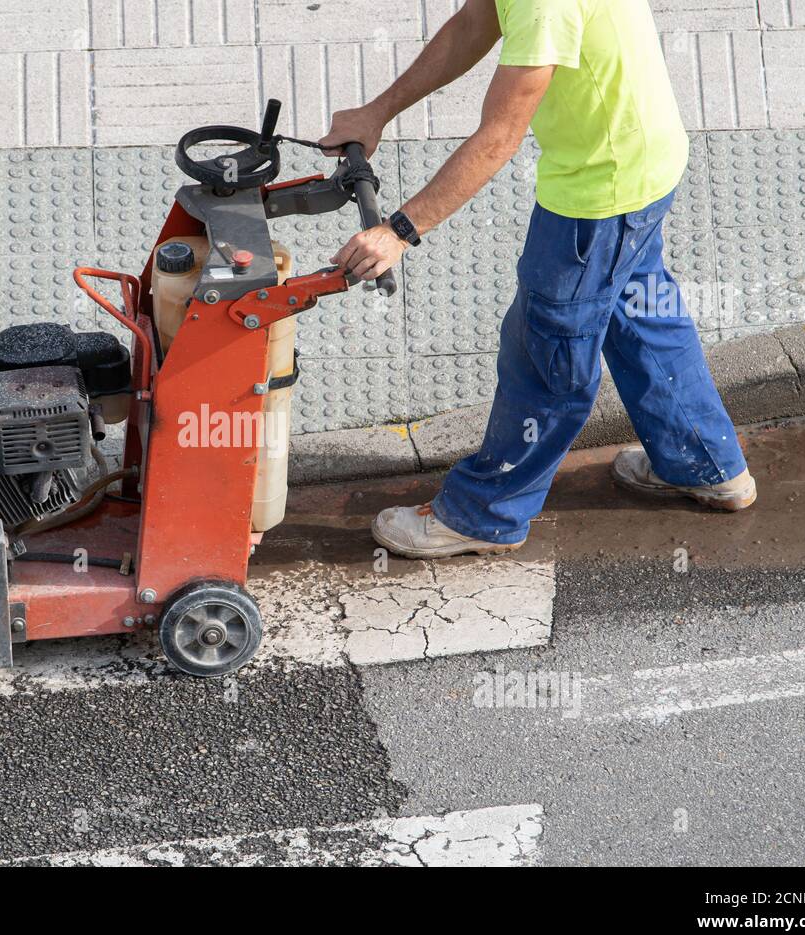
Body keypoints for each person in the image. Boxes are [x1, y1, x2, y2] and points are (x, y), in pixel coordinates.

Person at [318, 0, 757, 559]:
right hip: (643, 162)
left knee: (547, 352)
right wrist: (377, 111)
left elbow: (500, 136)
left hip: (599, 197)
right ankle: (706, 463)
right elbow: (477, 21)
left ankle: (486, 514)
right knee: (641, 316)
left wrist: (399, 231)